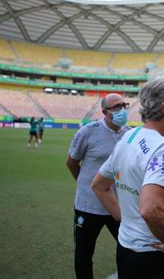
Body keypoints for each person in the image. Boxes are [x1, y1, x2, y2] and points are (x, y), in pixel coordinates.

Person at [92, 76, 164, 279]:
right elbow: (151, 208)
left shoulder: (129, 137)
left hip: (126, 246)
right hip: (156, 254)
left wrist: (124, 219)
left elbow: (99, 185)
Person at [66, 93, 130, 278]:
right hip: (88, 206)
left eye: (124, 105)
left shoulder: (129, 133)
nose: (122, 110)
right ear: (104, 112)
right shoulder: (88, 131)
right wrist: (85, 185)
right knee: (83, 255)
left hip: (116, 205)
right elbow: (71, 162)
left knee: (129, 247)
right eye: (116, 107)